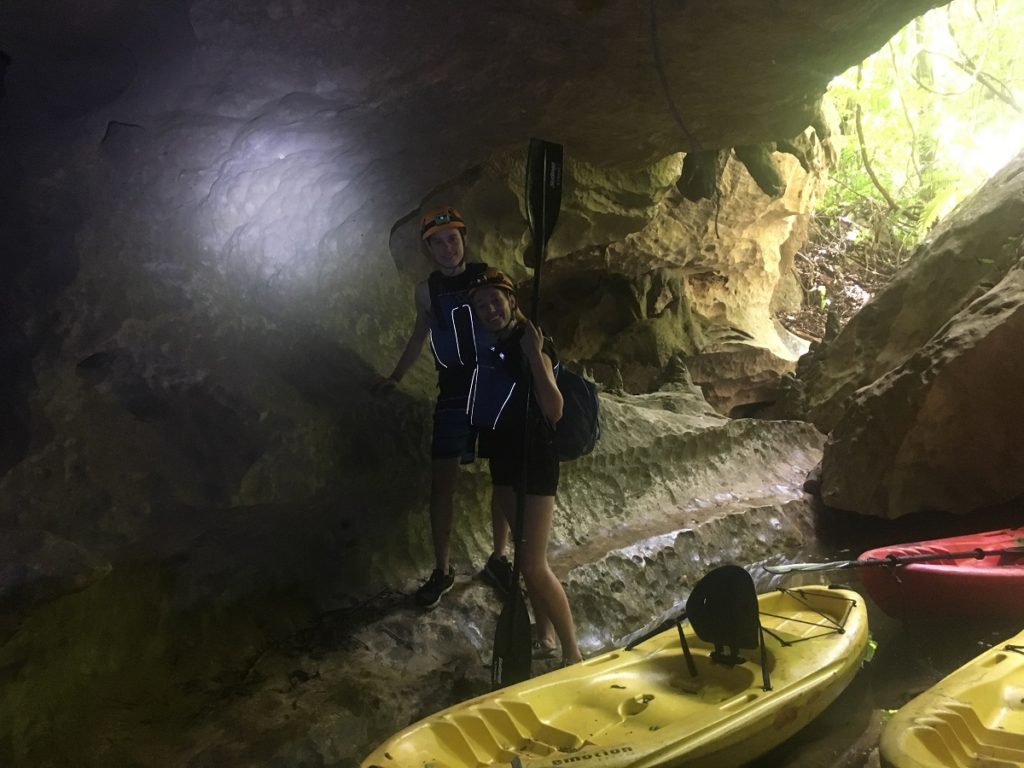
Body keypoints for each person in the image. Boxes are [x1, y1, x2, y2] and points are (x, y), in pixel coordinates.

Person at [374, 206, 512, 608]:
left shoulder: (491, 275)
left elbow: (511, 319)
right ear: (428, 249)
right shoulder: (426, 290)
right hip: (453, 390)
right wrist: (395, 376)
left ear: (464, 239)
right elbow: (420, 335)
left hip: (494, 387)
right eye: (438, 242)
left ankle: (499, 558)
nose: (447, 248)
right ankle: (443, 569)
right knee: (442, 485)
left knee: (502, 477)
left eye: (452, 238)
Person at [467, 268, 582, 666]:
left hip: (534, 462)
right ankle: (546, 638)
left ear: (511, 301)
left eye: (495, 301)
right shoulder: (491, 344)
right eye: (481, 306)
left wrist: (535, 357)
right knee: (524, 560)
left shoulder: (532, 342)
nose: (489, 310)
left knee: (533, 565)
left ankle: (573, 654)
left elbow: (554, 409)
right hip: (505, 460)